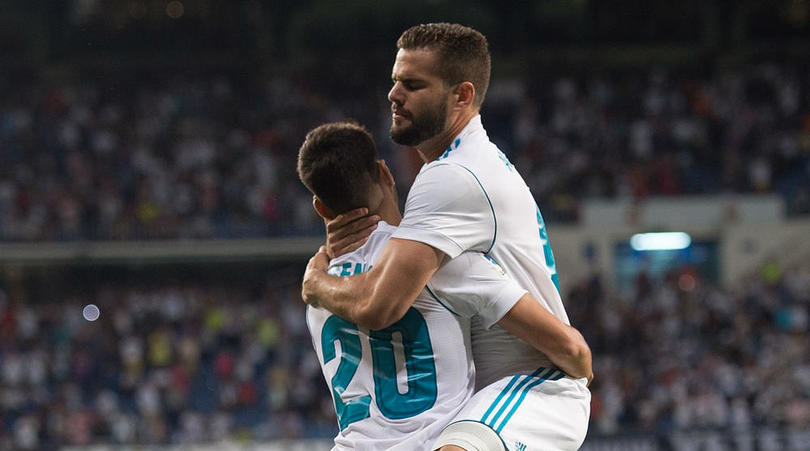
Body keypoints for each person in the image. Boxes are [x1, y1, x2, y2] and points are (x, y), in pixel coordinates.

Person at [301, 23, 591, 450]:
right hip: (485, 401)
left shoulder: (449, 178)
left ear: (463, 95)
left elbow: (378, 306)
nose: (394, 95)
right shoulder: (461, 168)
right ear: (383, 176)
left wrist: (316, 284)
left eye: (413, 84)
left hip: (535, 385)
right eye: (395, 81)